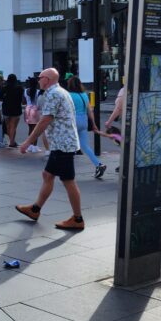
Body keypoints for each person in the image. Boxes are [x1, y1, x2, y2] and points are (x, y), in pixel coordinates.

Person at [16, 68, 87, 230]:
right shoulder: (61, 91)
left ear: (47, 79)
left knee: (68, 181)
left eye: (40, 77)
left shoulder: (53, 94)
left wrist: (28, 141)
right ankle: (35, 210)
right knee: (47, 175)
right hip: (62, 144)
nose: (38, 80)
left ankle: (77, 219)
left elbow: (45, 120)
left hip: (63, 145)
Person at [66, 76, 107, 179]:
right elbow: (90, 111)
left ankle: (67, 169)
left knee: (68, 145)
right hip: (83, 121)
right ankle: (98, 164)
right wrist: (93, 124)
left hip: (73, 121)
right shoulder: (84, 95)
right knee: (85, 146)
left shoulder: (68, 95)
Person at [24, 76, 47, 153]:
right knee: (36, 129)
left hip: (27, 109)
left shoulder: (26, 91)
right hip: (35, 110)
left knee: (30, 129)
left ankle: (30, 145)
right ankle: (34, 146)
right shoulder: (38, 92)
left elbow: (24, 101)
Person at [2, 74, 25, 149]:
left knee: (8, 126)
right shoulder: (20, 88)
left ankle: (12, 141)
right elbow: (23, 100)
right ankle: (12, 142)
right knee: (13, 126)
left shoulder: (4, 88)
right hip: (16, 108)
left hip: (6, 108)